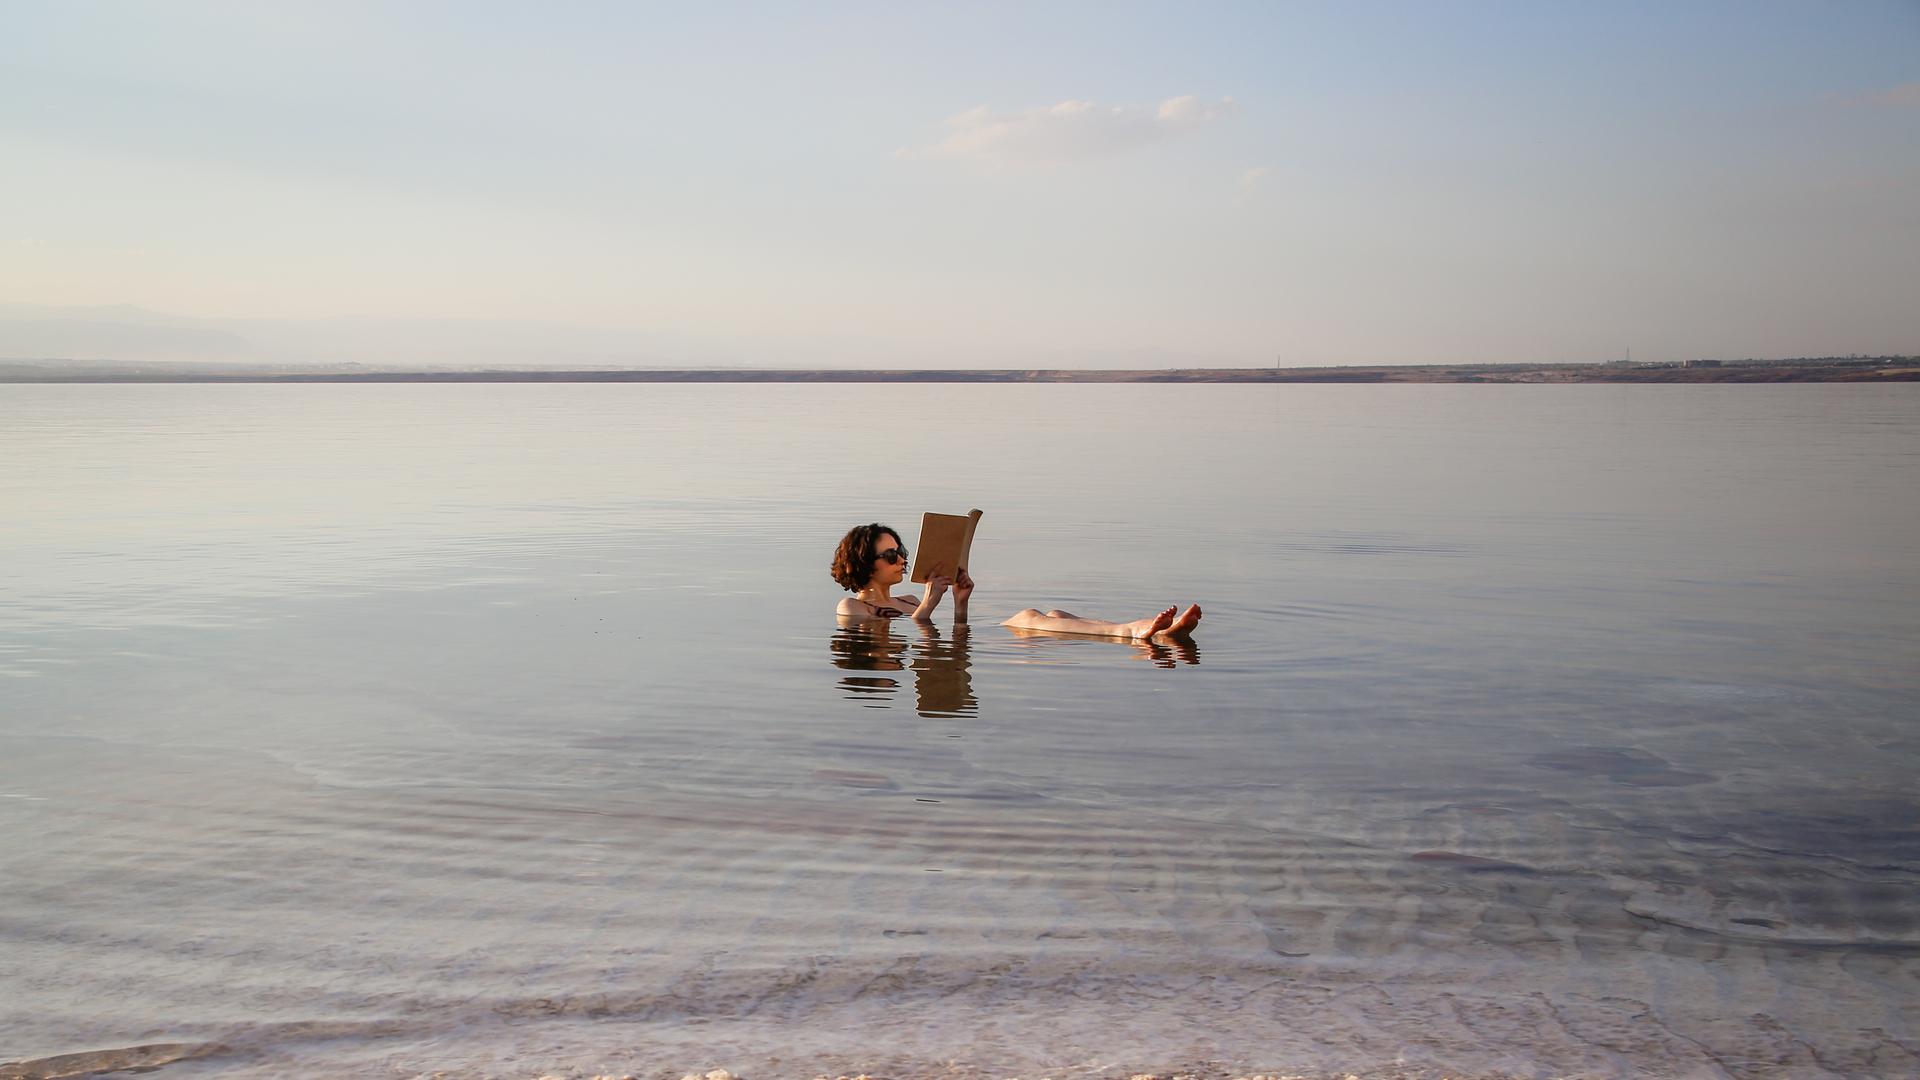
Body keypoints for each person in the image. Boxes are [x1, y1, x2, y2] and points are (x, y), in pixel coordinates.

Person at [830, 523, 1200, 640]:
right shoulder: (853, 607)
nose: (902, 560)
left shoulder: (908, 600)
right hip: (994, 639)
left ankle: (1151, 633)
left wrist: (960, 601)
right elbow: (920, 634)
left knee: (1052, 611)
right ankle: (1132, 631)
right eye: (891, 556)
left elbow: (957, 632)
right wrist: (927, 607)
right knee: (1028, 616)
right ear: (865, 562)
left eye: (902, 552)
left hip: (971, 638)